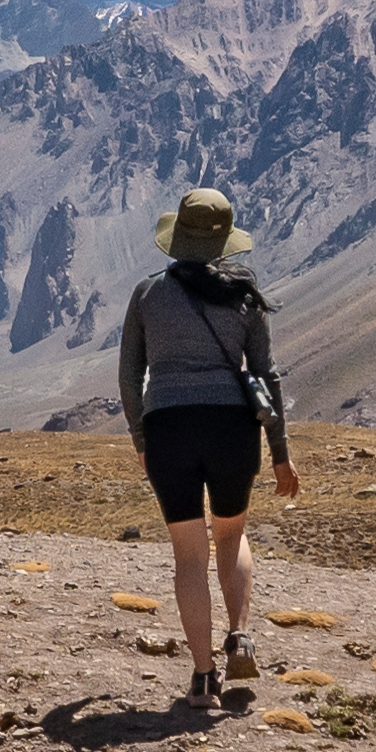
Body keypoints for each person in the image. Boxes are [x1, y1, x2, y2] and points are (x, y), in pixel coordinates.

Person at [117, 187, 299, 712]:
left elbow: (130, 375)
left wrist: (141, 439)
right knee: (231, 534)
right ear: (224, 240)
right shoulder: (244, 294)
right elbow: (265, 375)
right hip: (231, 429)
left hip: (168, 427)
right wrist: (281, 450)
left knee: (189, 557)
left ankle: (202, 678)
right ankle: (240, 635)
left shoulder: (147, 294)